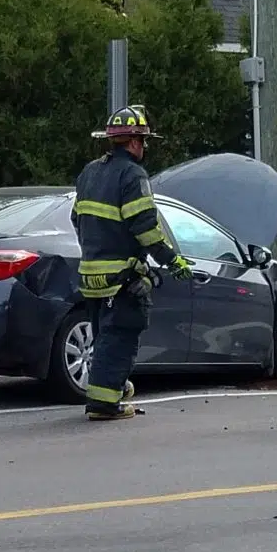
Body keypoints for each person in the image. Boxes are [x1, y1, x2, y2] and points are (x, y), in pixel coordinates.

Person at [72, 103, 191, 421]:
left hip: (91, 276)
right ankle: (105, 404)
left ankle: (112, 389)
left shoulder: (90, 172)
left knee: (103, 337)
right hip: (121, 277)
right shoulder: (133, 175)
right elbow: (145, 227)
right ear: (136, 142)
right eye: (145, 141)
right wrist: (172, 260)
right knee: (121, 336)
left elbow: (77, 218)